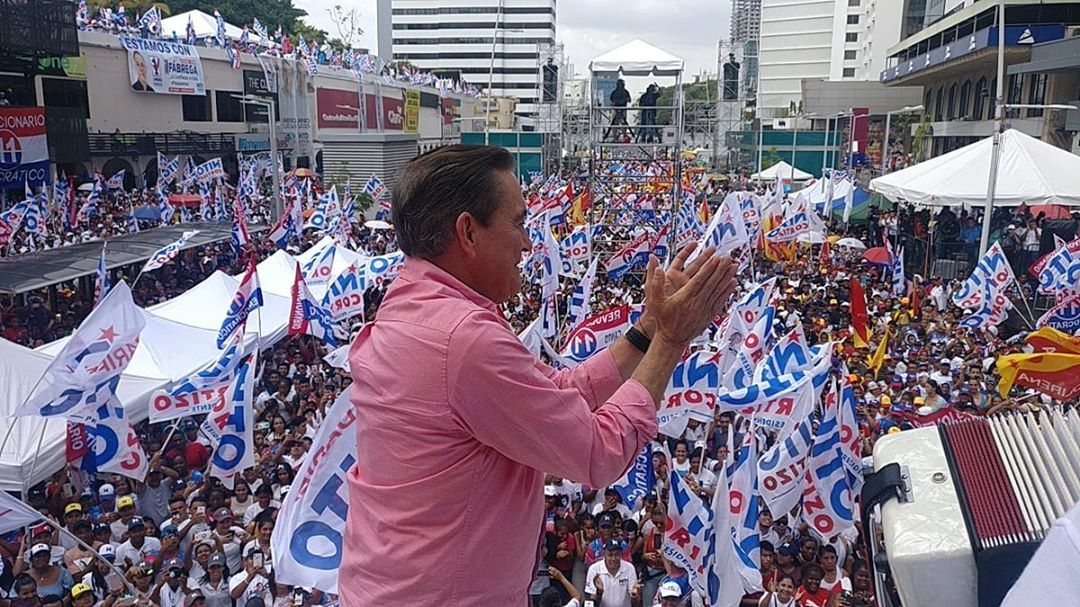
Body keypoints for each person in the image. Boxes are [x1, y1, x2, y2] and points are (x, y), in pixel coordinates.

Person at [339, 145, 738, 605]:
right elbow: (597, 454)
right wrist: (671, 341)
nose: (528, 243)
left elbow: (556, 394)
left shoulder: (412, 307)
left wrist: (648, 328)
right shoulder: (462, 340)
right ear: (468, 232)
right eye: (518, 223)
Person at [585, 540, 638, 607]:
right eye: (610, 555)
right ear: (604, 554)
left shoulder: (629, 568)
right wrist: (599, 592)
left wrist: (634, 596)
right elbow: (591, 602)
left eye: (617, 555)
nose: (613, 558)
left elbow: (635, 603)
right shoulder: (594, 569)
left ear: (621, 554)